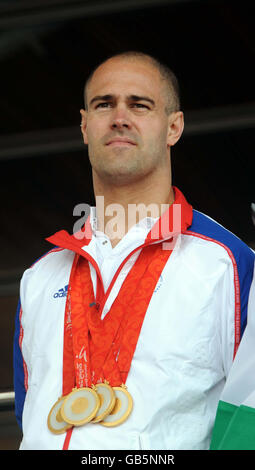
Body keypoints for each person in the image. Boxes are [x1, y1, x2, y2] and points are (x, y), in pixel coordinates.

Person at [13, 51, 255, 450]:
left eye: (139, 105)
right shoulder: (40, 276)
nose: (119, 116)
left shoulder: (229, 263)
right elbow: (33, 414)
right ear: (84, 126)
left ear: (174, 127)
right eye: (103, 104)